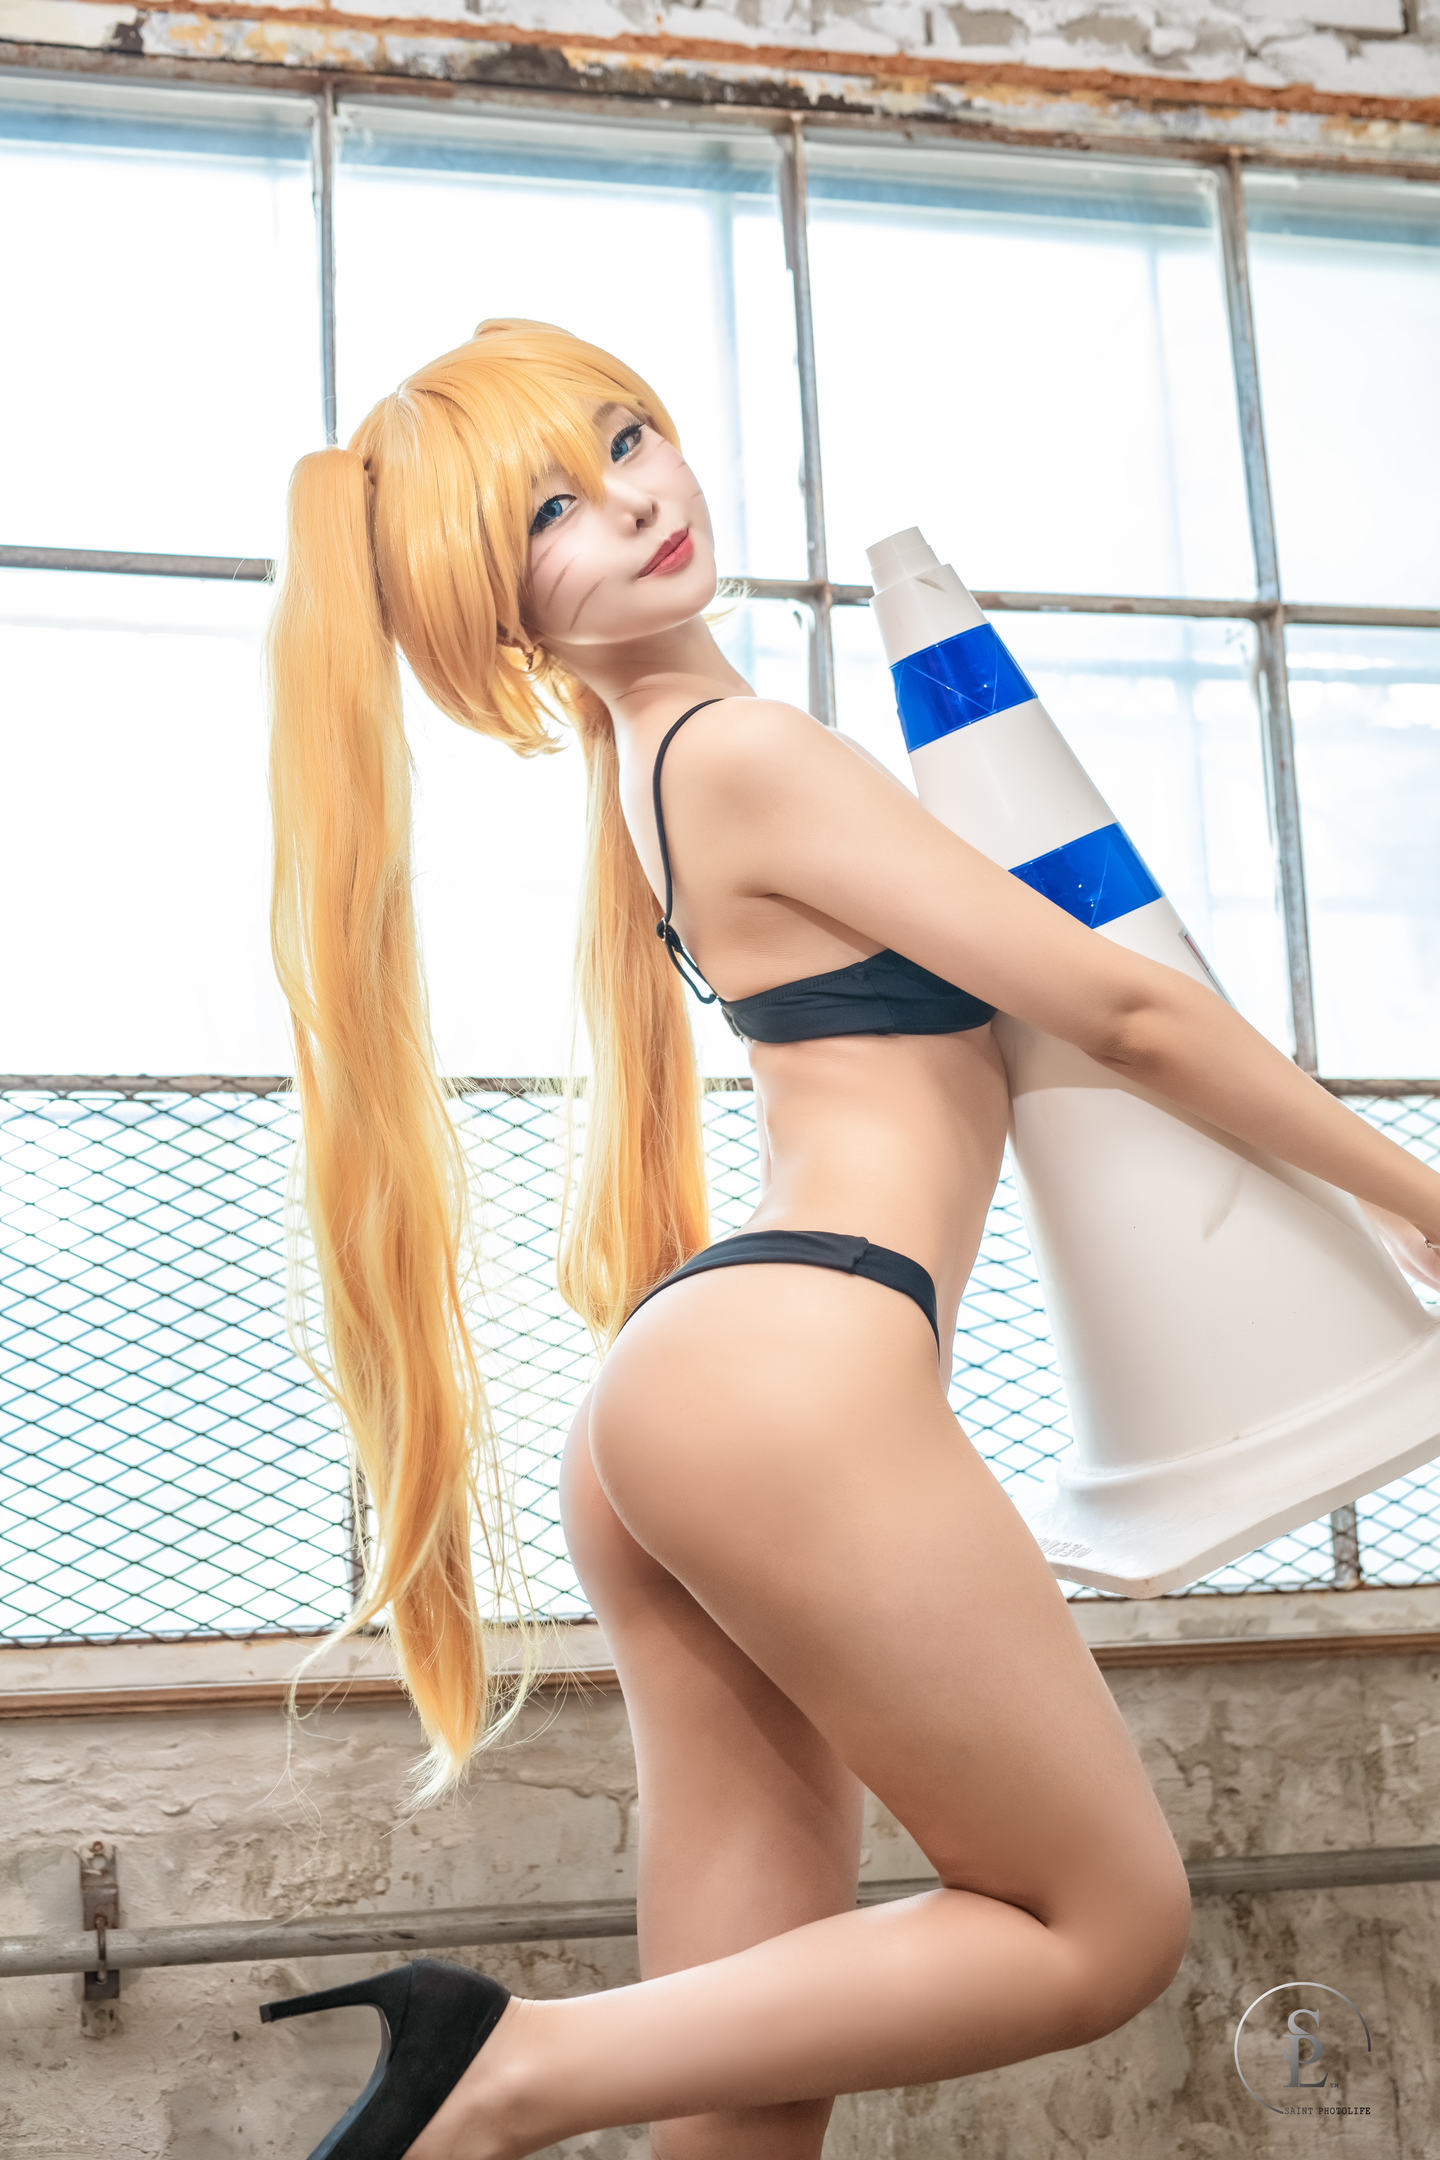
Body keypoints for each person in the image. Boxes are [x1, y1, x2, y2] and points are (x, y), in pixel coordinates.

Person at [259, 318, 1440, 2160]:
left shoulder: (656, 766)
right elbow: (1127, 1011)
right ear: (496, 616)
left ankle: (512, 2076)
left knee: (746, 2101)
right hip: (785, 1378)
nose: (632, 499)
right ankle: (502, 2075)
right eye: (548, 513)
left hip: (695, 1398)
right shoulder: (743, 749)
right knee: (1102, 1926)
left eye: (625, 436)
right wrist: (1417, 1193)